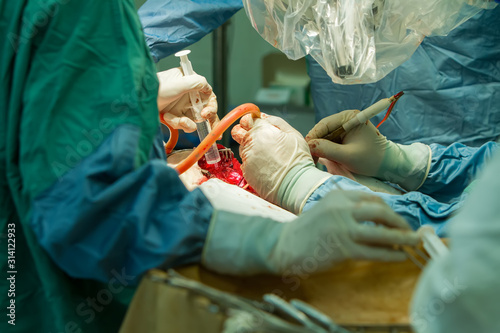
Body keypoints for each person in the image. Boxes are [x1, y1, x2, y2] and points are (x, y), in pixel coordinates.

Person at [0, 1, 418, 332]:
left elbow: (31, 122)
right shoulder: (81, 13)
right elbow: (90, 211)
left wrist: (133, 103)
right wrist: (268, 241)